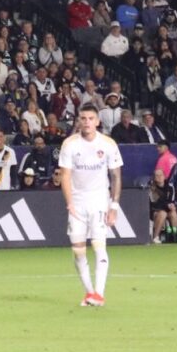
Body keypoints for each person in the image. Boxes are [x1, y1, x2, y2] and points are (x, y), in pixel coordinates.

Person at [59, 104, 122, 307]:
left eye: (90, 118)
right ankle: (89, 292)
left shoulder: (108, 144)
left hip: (99, 201)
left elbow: (116, 176)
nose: (86, 122)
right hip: (77, 202)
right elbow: (65, 176)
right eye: (83, 118)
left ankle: (99, 294)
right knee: (78, 250)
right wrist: (69, 203)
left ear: (97, 121)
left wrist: (114, 206)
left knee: (98, 245)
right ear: (79, 120)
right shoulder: (70, 144)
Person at [148, 168, 177, 244]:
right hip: (155, 210)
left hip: (167, 209)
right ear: (154, 178)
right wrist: (167, 205)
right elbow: (155, 202)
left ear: (164, 176)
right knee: (163, 213)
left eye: (161, 175)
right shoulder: (151, 188)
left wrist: (172, 205)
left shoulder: (170, 187)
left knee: (173, 213)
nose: (159, 177)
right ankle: (155, 237)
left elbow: (172, 200)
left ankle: (174, 236)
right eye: (157, 175)